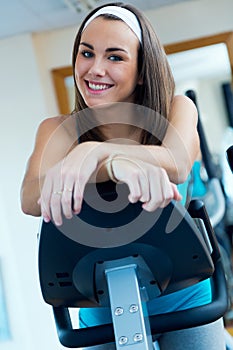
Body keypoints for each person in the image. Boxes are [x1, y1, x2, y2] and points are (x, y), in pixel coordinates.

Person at [20, 2, 225, 349]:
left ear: (142, 70)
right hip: (99, 306)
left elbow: (174, 162)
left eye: (115, 57)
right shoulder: (59, 130)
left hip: (187, 298)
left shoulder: (177, 108)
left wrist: (96, 152)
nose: (95, 69)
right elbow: (31, 198)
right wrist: (113, 166)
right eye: (87, 53)